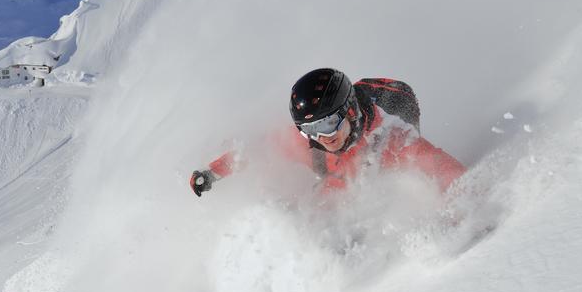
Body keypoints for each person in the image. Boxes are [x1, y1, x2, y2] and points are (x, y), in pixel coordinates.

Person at [190, 68, 465, 196]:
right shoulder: (313, 145)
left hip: (379, 182)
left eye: (329, 123)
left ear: (350, 111)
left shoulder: (392, 142)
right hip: (341, 183)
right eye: (311, 129)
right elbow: (258, 151)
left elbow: (448, 172)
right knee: (318, 203)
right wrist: (212, 173)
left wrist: (461, 211)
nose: (324, 136)